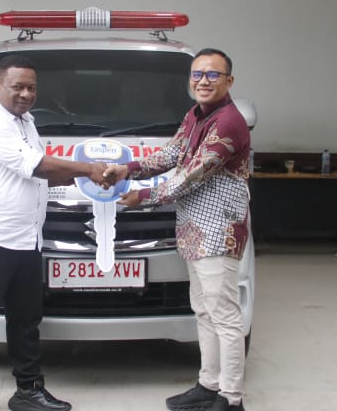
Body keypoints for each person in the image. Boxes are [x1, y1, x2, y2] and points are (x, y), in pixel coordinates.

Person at [0, 55, 110, 411]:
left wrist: (87, 180)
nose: (25, 94)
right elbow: (38, 166)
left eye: (31, 88)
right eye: (17, 87)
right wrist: (89, 169)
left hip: (26, 239)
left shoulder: (25, 122)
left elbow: (39, 175)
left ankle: (28, 390)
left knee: (26, 320)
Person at [103, 48, 251, 411]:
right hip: (194, 231)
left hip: (218, 233)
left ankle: (231, 399)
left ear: (229, 81)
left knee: (225, 316)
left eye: (213, 75)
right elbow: (171, 155)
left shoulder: (229, 123)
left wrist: (141, 196)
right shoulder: (195, 115)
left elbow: (189, 177)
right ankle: (209, 385)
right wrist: (128, 169)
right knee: (204, 311)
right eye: (197, 74)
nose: (203, 81)